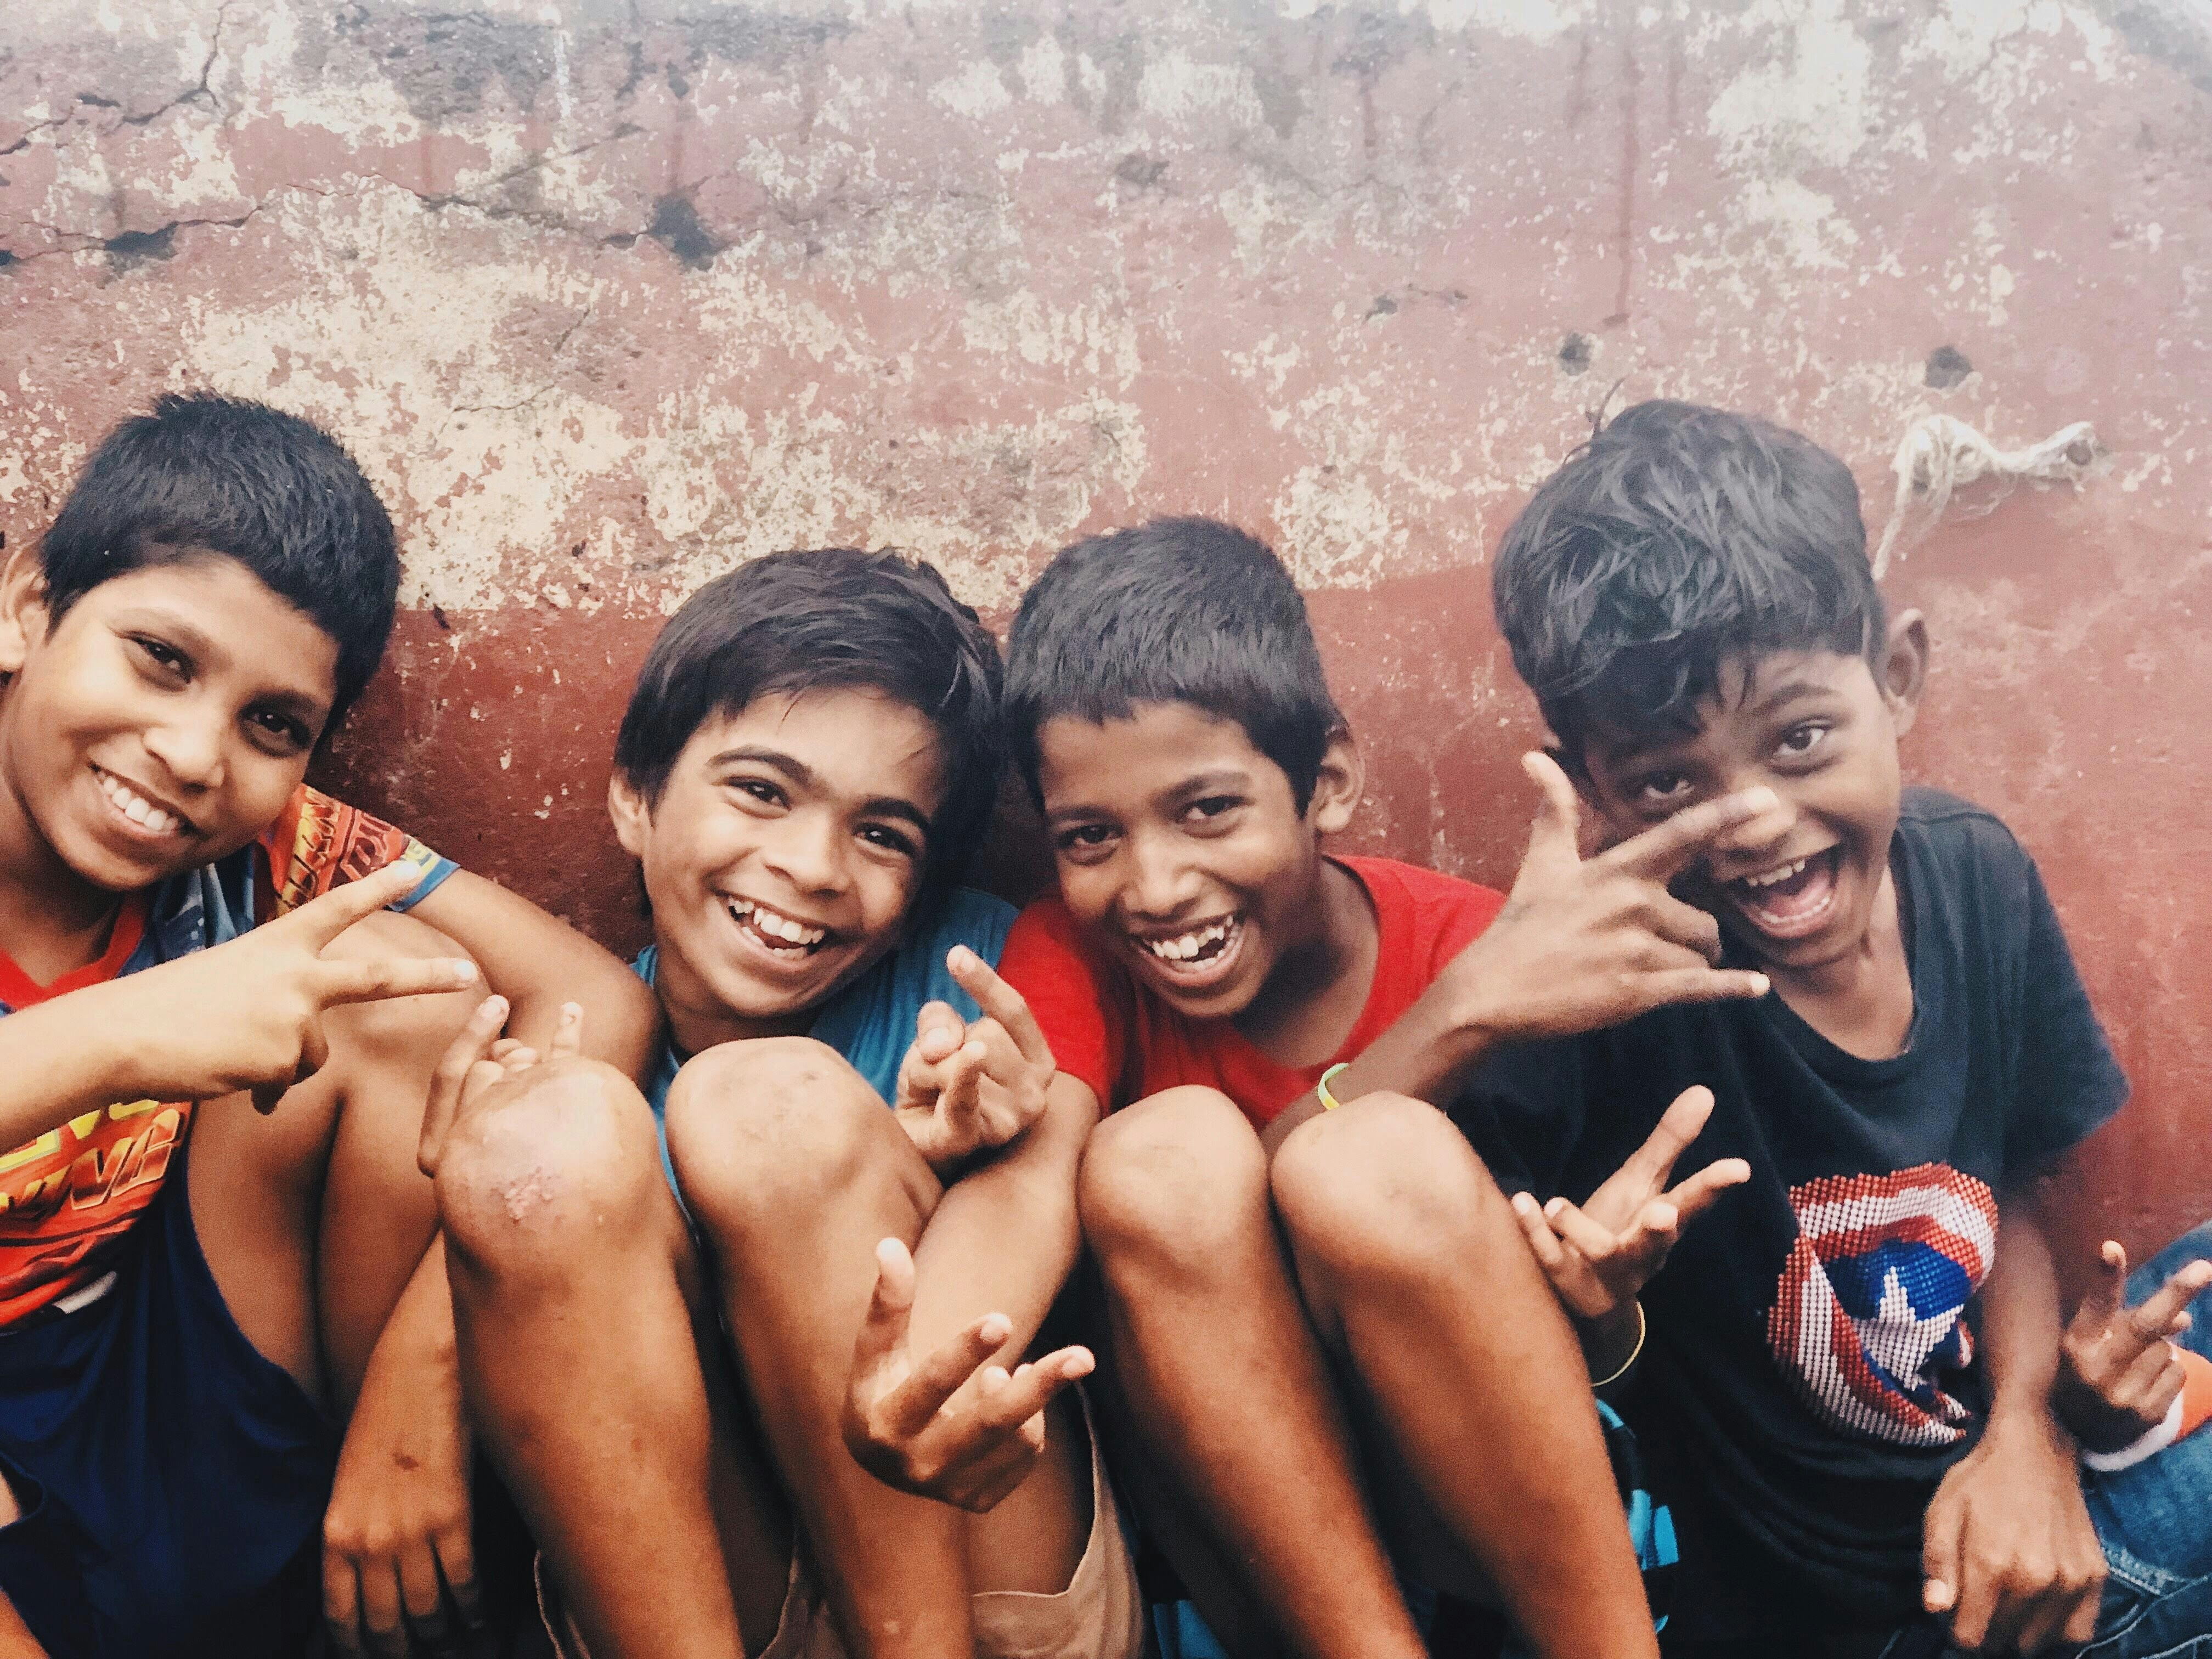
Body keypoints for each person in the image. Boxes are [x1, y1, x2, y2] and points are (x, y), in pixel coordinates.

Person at [1460, 398, 2212, 1655]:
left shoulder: (1971, 872)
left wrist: (2032, 1430)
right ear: (1590, 790)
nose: (1749, 818)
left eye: (1801, 738)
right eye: (1666, 781)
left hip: (2012, 1445)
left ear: (1898, 678)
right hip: (1895, 1599)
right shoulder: (1604, 991)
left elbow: (2018, 1172)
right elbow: (1416, 1269)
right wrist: (1591, 1312)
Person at [989, 517, 1781, 1659]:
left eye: (1209, 809)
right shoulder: (1070, 959)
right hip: (1252, 1566)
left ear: (1330, 780)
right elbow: (1137, 1220)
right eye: (1090, 836)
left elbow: (1629, 1350)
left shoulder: (1513, 960)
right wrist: (1458, 1016)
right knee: (1160, 1159)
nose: (1155, 885)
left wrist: (1601, 1298)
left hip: (1505, 1544)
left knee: (1374, 1165)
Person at [0, 393, 654, 1658]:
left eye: (272, 726)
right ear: (30, 605)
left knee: (402, 994)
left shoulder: (271, 848)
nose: (193, 754)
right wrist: (136, 1031)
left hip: (159, 1382)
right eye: (161, 658)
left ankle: (382, 1611)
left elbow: (604, 1003)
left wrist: (424, 1372)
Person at [425, 548, 1141, 1659]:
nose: (812, 865)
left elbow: (1045, 1196)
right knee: (543, 1134)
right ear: (634, 798)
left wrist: (962, 1152)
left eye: (882, 833)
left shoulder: (987, 984)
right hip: (726, 1599)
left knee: (766, 1106)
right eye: (762, 791)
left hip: (988, 1594)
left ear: (922, 895)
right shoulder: (581, 1059)